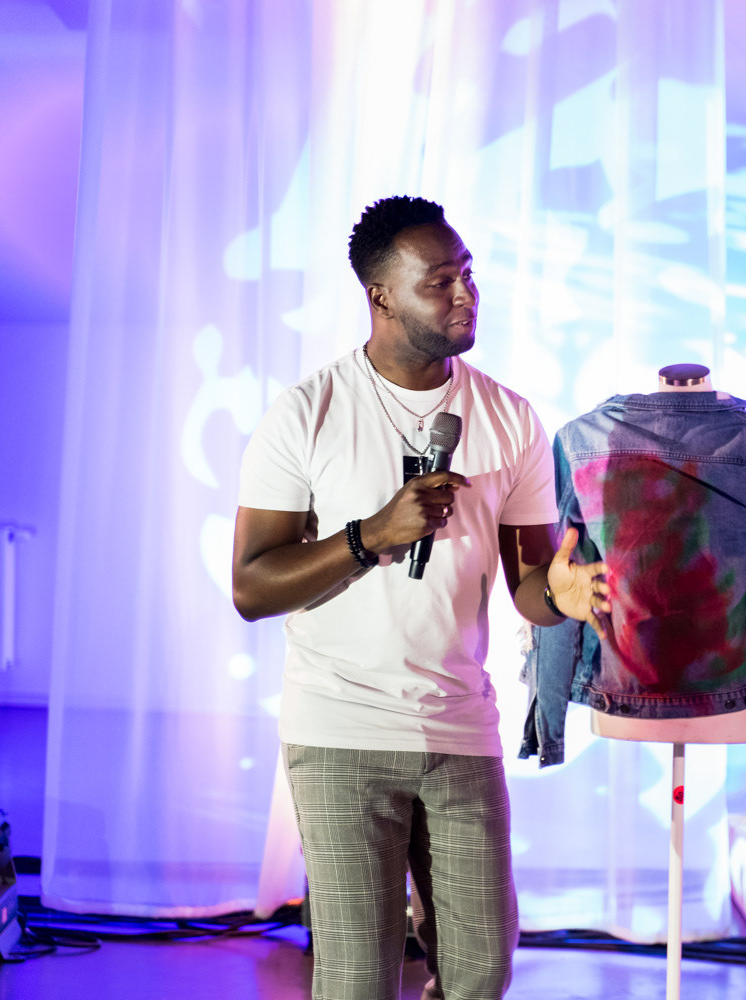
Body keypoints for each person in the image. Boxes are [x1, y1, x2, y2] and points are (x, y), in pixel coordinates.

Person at [231, 195, 610, 1000]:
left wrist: (563, 596)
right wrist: (371, 535)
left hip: (458, 728)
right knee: (357, 980)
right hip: (339, 727)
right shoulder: (307, 413)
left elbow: (530, 587)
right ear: (381, 295)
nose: (466, 294)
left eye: (468, 274)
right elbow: (251, 586)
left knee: (480, 973)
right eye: (440, 281)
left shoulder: (509, 418)